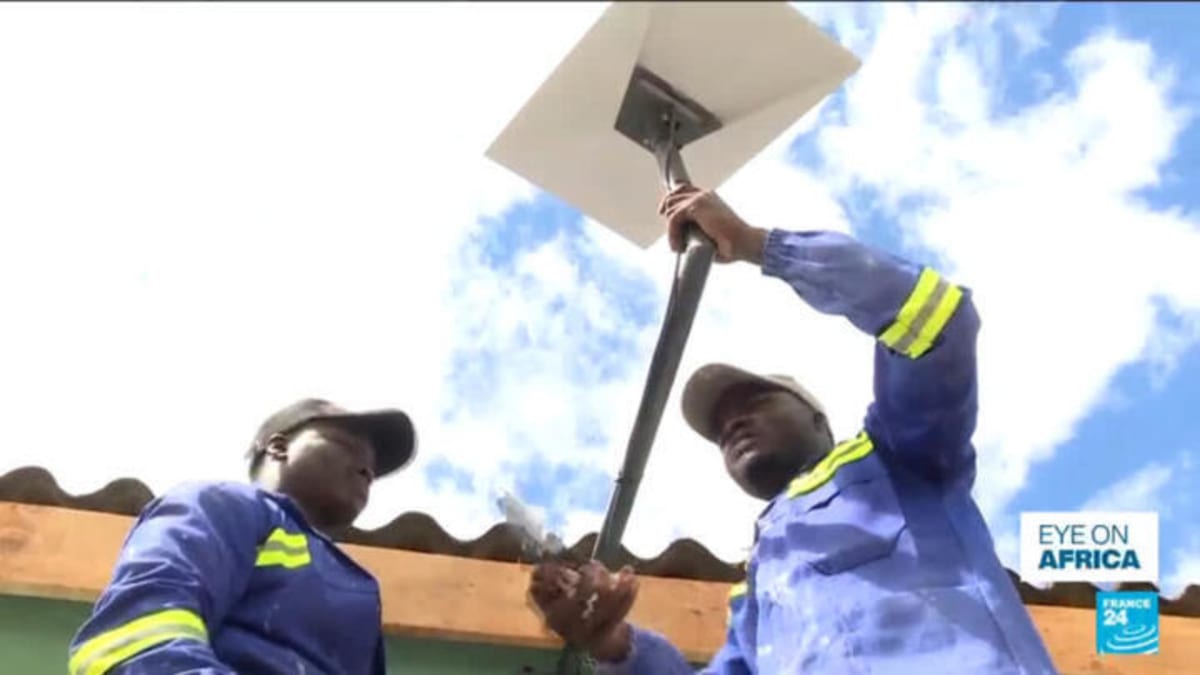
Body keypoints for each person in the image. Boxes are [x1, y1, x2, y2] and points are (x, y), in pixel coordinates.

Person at [529, 185, 1057, 674]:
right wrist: (612, 643)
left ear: (817, 420)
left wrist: (757, 244)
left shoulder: (898, 459)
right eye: (720, 430)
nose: (732, 425)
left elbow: (936, 322)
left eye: (755, 402)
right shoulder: (757, 601)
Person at [67, 398, 416, 675]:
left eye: (372, 467)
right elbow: (135, 635)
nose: (366, 469)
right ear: (278, 447)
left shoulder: (359, 584)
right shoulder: (223, 505)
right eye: (346, 446)